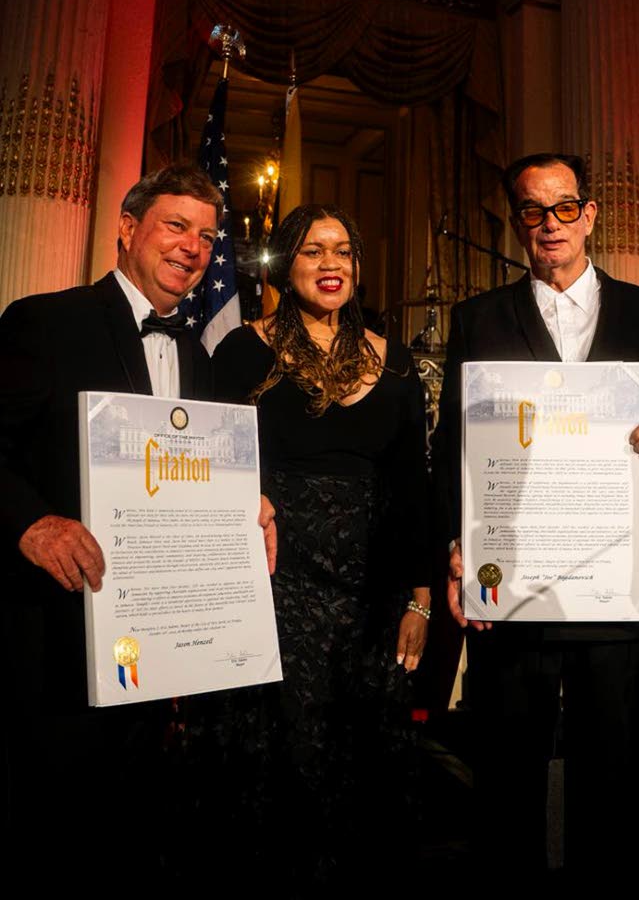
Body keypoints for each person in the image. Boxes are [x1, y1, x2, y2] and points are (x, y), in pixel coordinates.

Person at [432, 152, 639, 879]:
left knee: (613, 770)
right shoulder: (476, 320)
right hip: (511, 584)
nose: (547, 224)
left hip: (612, 584)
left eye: (562, 207)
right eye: (530, 209)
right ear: (517, 221)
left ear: (588, 216)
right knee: (507, 772)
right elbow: (450, 448)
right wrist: (455, 544)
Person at [0, 164, 226, 877]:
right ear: (128, 229)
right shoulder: (46, 320)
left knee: (134, 838)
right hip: (57, 641)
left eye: (207, 236)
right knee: (53, 831)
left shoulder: (199, 355)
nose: (193, 246)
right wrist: (32, 523)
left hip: (156, 649)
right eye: (176, 225)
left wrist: (244, 501)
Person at [212, 203, 431, 887]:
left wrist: (420, 599)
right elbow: (212, 463)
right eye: (312, 251)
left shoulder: (396, 366)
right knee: (288, 750)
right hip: (276, 580)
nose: (330, 264)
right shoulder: (241, 351)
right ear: (284, 263)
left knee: (365, 754)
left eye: (342, 250)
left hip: (373, 589)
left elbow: (411, 489)